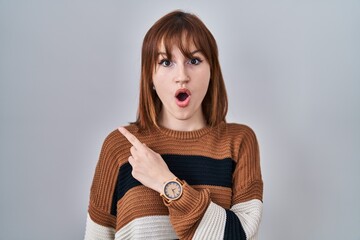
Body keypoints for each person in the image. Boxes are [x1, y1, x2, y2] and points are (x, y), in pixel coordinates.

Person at [84, 10, 263, 240]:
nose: (182, 76)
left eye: (194, 60)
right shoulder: (120, 146)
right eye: (166, 62)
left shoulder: (238, 142)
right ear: (150, 75)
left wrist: (166, 182)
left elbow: (240, 236)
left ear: (212, 71)